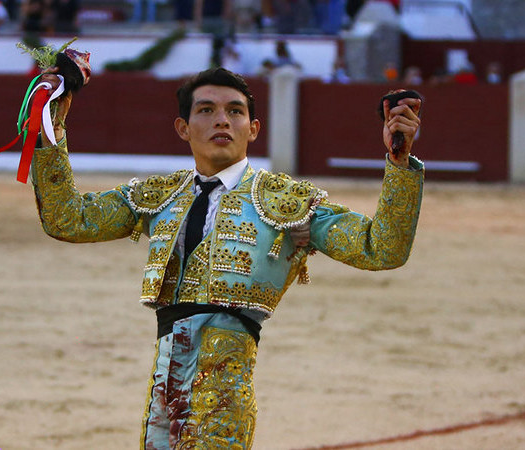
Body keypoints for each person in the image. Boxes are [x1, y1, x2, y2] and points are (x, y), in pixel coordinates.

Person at [30, 67, 424, 448]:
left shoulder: (287, 200)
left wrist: (399, 164)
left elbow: (381, 248)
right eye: (206, 110)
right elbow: (69, 220)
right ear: (183, 128)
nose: (222, 121)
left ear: (253, 129)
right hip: (165, 376)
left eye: (235, 111)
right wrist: (51, 125)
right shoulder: (159, 194)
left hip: (227, 382)